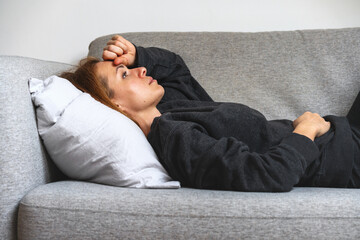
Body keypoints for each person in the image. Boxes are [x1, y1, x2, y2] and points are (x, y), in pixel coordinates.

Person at [61, 35, 360, 192]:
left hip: (342, 135)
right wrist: (306, 130)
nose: (140, 71)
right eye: (124, 76)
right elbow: (266, 175)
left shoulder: (170, 112)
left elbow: (175, 68)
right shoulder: (177, 140)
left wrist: (137, 53)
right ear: (115, 107)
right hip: (343, 156)